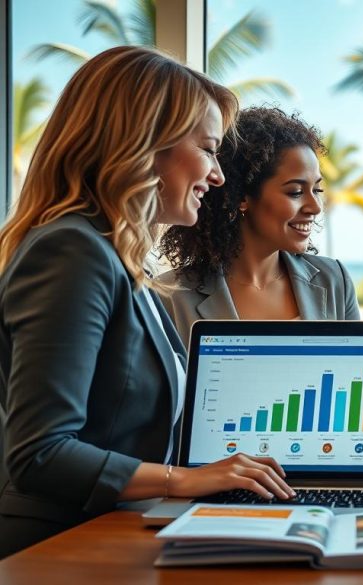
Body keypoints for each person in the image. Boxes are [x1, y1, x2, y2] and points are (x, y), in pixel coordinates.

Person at [0, 46, 294, 558]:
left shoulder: (118, 260)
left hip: (105, 533)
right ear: (144, 145)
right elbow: (40, 453)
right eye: (207, 149)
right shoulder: (71, 251)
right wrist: (181, 480)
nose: (218, 176)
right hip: (58, 548)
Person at [157, 106, 359, 341]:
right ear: (241, 197)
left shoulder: (334, 280)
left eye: (317, 189)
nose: (315, 207)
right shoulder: (169, 296)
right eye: (295, 192)